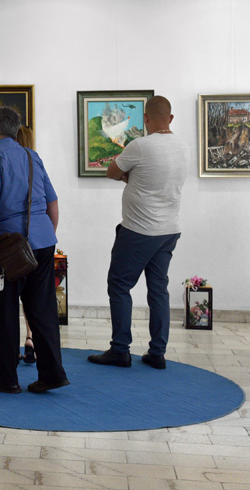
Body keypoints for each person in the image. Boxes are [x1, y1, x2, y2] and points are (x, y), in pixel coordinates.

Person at [0, 107, 69, 394]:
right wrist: (45, 235)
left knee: (3, 313)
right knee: (43, 311)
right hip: (43, 242)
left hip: (8, 248)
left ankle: (4, 378)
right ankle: (52, 374)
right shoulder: (31, 156)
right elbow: (52, 203)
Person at [88, 96, 188, 370]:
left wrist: (128, 176)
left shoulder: (140, 146)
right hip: (169, 231)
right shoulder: (183, 147)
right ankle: (157, 353)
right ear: (170, 118)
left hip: (139, 230)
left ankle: (120, 350)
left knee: (119, 285)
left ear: (145, 118)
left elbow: (111, 172)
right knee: (158, 290)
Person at [16, 125, 36, 365]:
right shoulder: (36, 164)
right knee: (31, 297)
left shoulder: (8, 164)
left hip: (11, 243)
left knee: (9, 296)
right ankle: (31, 338)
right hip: (36, 240)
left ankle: (10, 345)